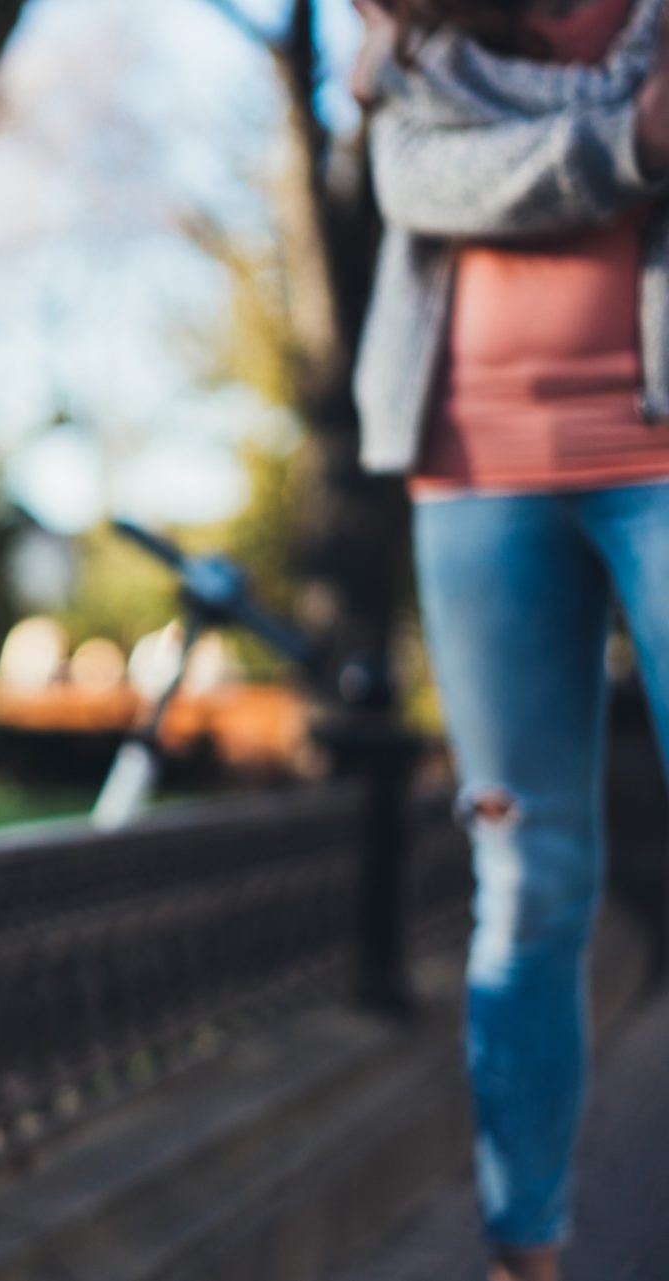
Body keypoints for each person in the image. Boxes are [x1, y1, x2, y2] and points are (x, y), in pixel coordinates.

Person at [353, 2, 669, 1278]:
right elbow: (426, 184)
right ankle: (523, 1252)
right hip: (473, 471)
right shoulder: (423, 36)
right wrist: (639, 138)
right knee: (527, 883)